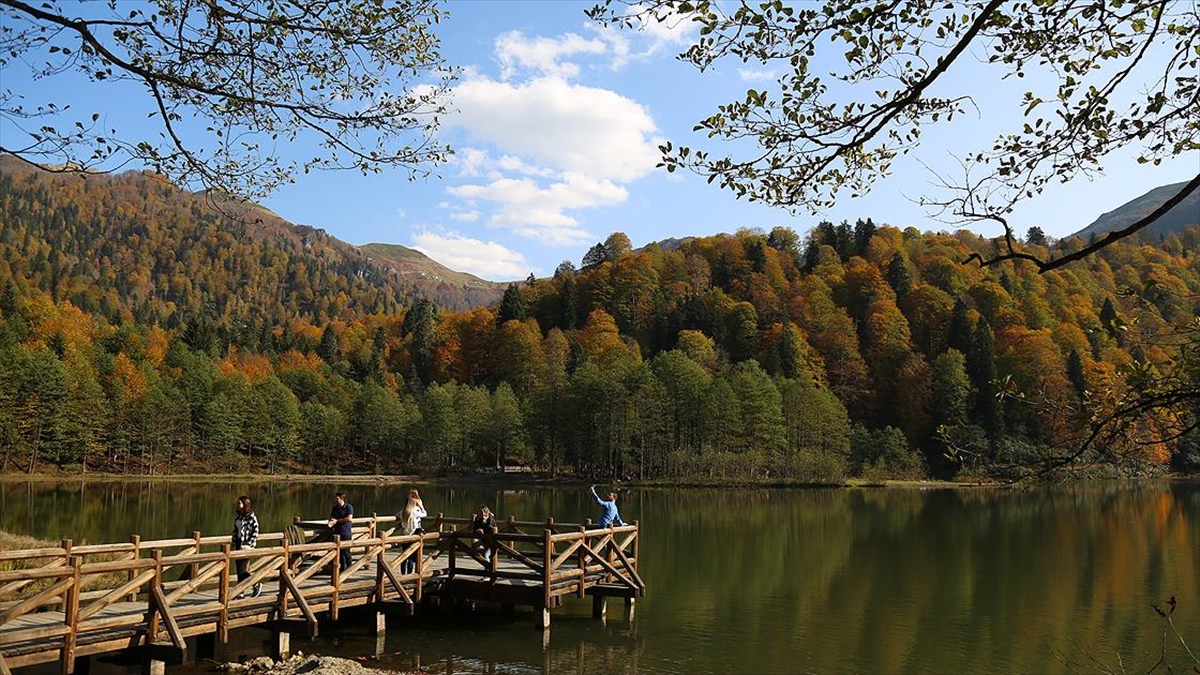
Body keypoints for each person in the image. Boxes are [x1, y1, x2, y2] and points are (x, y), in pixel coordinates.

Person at [232, 495, 262, 598]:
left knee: (242, 570)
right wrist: (233, 543)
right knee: (239, 570)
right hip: (238, 545)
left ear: (245, 504)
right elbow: (235, 532)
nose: (237, 505)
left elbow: (256, 531)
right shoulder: (238, 517)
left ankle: (256, 583)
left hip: (246, 546)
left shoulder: (251, 516)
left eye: (239, 503)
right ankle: (241, 592)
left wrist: (249, 544)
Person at [398, 489, 427, 574]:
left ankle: (403, 574)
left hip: (405, 535)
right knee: (410, 557)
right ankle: (409, 575)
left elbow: (397, 515)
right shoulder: (415, 512)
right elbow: (425, 514)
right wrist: (421, 506)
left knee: (404, 556)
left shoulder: (403, 511)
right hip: (413, 535)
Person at [327, 491, 354, 573]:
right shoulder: (334, 508)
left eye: (337, 498)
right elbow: (331, 517)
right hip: (336, 533)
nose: (335, 500)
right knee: (340, 553)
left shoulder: (348, 507)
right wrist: (330, 522)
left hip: (345, 532)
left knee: (346, 552)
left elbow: (349, 518)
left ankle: (349, 569)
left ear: (342, 498)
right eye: (335, 498)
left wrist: (337, 521)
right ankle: (342, 569)